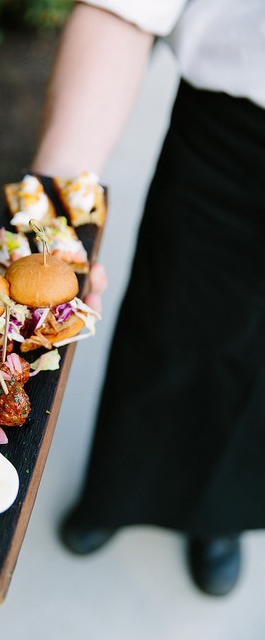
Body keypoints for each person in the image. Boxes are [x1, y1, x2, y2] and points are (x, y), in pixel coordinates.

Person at [28, 0, 265, 597]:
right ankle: (117, 494)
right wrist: (46, 224)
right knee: (172, 325)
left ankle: (219, 517)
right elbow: (126, 8)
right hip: (239, 136)